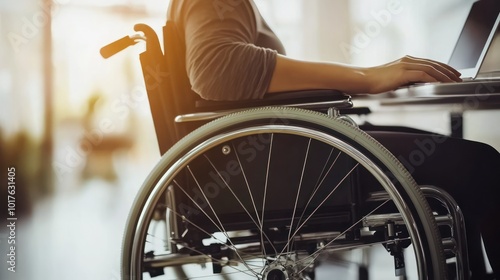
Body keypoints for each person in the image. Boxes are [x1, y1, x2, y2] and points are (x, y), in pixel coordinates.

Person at [167, 0, 500, 278]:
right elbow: (216, 69)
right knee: (480, 165)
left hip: (268, 161)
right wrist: (365, 77)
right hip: (273, 168)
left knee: (452, 154)